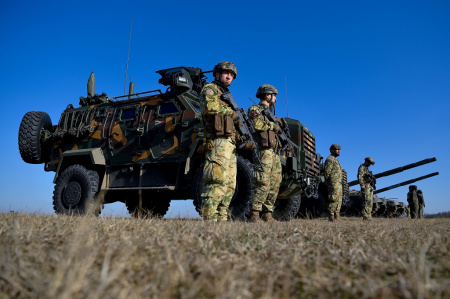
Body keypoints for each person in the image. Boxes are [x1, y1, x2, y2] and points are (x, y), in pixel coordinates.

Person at [199, 61, 239, 221]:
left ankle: (222, 219)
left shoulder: (226, 95)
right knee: (216, 180)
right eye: (225, 73)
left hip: (229, 144)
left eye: (232, 75)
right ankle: (209, 219)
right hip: (217, 141)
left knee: (230, 185)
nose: (229, 76)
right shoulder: (210, 89)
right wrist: (230, 112)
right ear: (216, 74)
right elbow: (208, 106)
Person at [247, 84, 283, 222]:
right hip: (263, 151)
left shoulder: (271, 115)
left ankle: (268, 213)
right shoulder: (255, 109)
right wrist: (273, 126)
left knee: (275, 183)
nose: (275, 99)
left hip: (274, 152)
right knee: (262, 181)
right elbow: (256, 125)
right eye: (274, 96)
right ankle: (254, 213)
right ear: (267, 95)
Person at [324, 144, 343, 221]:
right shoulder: (330, 159)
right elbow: (327, 172)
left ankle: (336, 216)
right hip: (334, 183)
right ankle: (331, 217)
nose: (338, 151)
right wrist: (330, 182)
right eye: (336, 149)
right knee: (333, 199)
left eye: (339, 149)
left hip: (338, 183)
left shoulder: (336, 160)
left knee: (339, 200)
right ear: (332, 150)